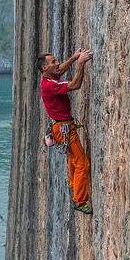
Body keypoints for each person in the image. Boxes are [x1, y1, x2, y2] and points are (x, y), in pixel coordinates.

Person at [37, 49, 94, 214]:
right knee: (82, 164)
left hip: (61, 128)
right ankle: (79, 201)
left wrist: (74, 58)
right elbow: (75, 85)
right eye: (53, 62)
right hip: (65, 129)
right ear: (44, 69)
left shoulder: (49, 79)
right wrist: (81, 62)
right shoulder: (50, 85)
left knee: (73, 159)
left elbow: (60, 70)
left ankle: (73, 185)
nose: (57, 64)